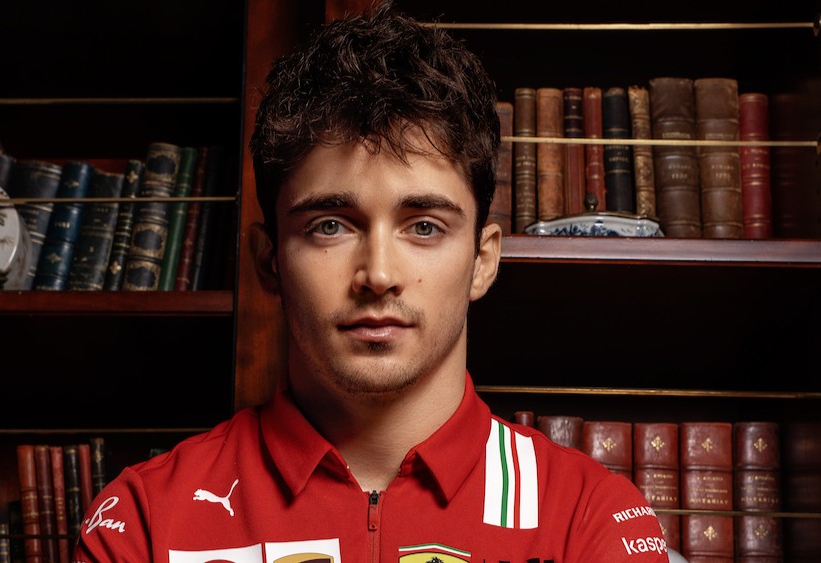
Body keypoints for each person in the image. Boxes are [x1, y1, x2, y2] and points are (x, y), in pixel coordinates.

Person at [74, 3, 671, 562]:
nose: (379, 275)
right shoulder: (147, 520)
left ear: (483, 260)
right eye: (330, 225)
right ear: (268, 260)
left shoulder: (589, 518)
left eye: (425, 227)